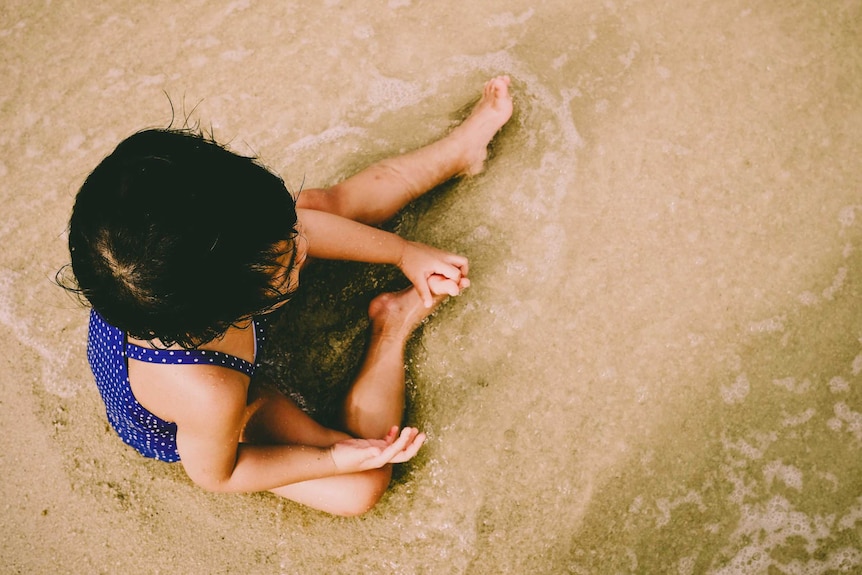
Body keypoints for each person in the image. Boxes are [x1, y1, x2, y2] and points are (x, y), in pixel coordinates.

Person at [63, 76, 513, 516]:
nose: (303, 244)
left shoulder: (207, 249)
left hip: (200, 302)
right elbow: (219, 474)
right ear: (231, 311)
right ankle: (392, 324)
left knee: (317, 205)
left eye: (287, 234)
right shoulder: (208, 394)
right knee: (361, 486)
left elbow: (301, 230)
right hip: (229, 410)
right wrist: (335, 459)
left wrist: (403, 253)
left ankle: (458, 151)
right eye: (288, 260)